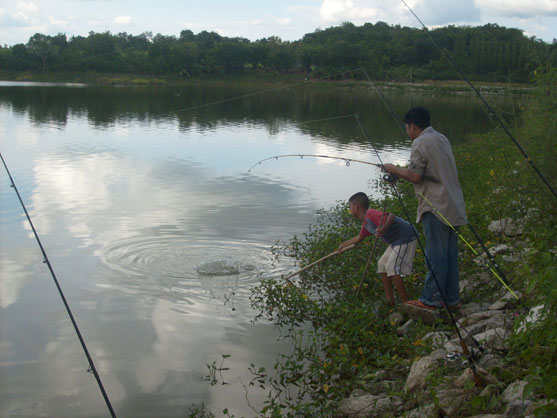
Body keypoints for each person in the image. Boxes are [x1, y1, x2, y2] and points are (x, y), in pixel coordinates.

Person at [383, 106, 467, 310]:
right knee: (449, 256)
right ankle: (451, 300)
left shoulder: (420, 142)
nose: (407, 131)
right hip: (453, 205)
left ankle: (430, 300)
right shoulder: (441, 138)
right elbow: (428, 173)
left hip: (435, 207)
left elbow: (415, 176)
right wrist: (402, 172)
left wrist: (393, 169)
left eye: (407, 127)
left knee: (436, 256)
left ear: (412, 126)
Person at [338, 192, 417, 306]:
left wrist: (384, 228)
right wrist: (343, 245)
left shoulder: (370, 213)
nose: (350, 210)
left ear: (357, 207)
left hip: (406, 236)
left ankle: (407, 304)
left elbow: (391, 216)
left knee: (392, 268)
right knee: (381, 265)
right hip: (395, 242)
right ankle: (390, 301)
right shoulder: (366, 222)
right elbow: (360, 237)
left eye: (350, 207)